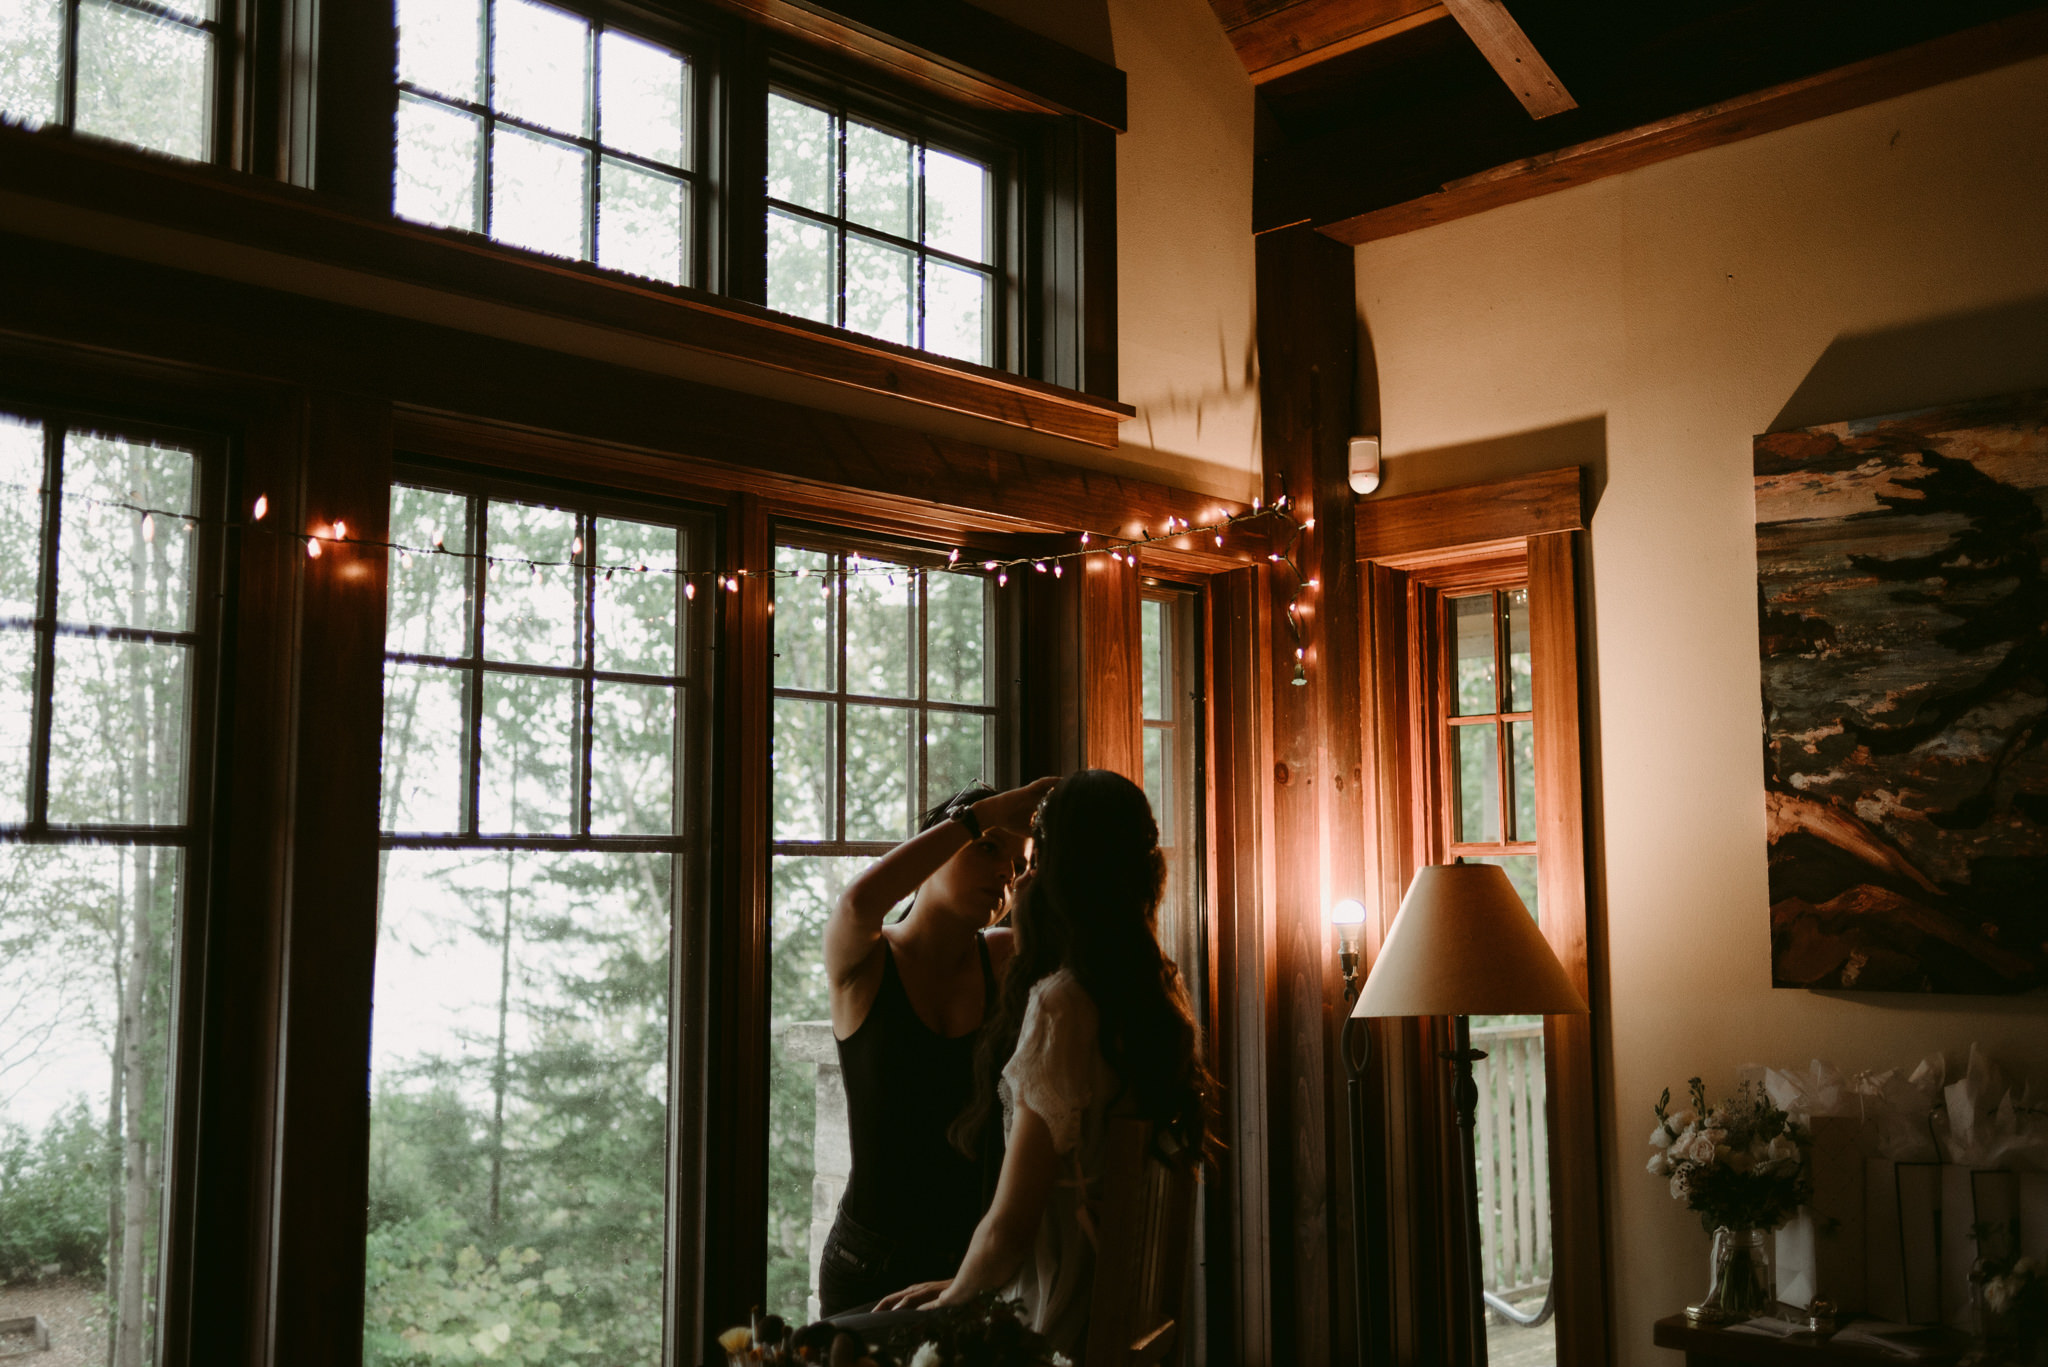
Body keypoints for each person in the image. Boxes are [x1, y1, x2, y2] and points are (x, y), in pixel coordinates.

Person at [871, 769, 1215, 1355]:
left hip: (1039, 1324)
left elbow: (1008, 1231)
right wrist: (963, 1280)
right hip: (1085, 1308)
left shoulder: (1064, 1005)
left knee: (819, 1344)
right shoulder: (1155, 992)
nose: (1020, 877)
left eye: (1037, 858)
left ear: (1068, 872)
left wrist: (954, 1304)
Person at [815, 777, 1058, 1316]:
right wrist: (981, 813)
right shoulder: (868, 960)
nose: (1004, 872)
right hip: (868, 1265)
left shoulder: (1006, 958)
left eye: (1018, 866)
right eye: (988, 848)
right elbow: (858, 902)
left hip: (975, 1258)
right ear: (937, 850)